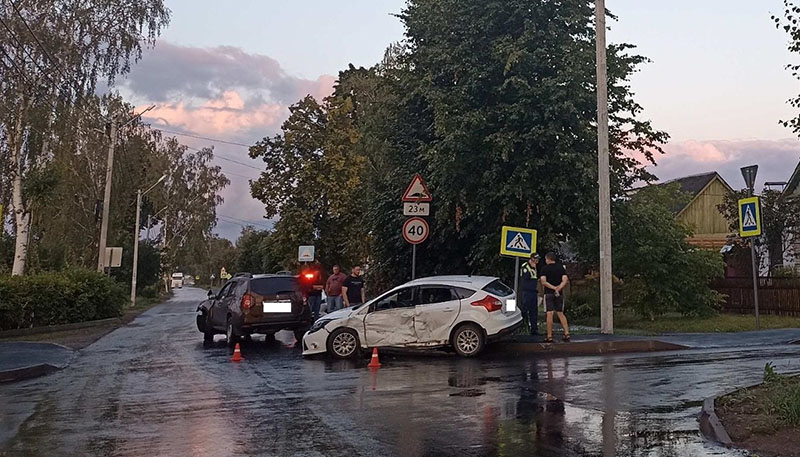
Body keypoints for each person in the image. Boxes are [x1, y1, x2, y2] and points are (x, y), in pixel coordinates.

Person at [539, 252, 570, 343]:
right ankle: (566, 333)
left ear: (548, 259)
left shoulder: (544, 269)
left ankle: (549, 336)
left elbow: (543, 282)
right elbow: (565, 280)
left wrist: (553, 288)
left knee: (549, 314)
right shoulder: (560, 268)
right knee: (560, 313)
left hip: (548, 293)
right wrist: (558, 288)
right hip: (559, 294)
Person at [519, 253, 540, 335]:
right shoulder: (525, 266)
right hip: (527, 292)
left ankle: (534, 330)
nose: (537, 260)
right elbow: (526, 277)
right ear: (531, 258)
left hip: (533, 292)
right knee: (525, 310)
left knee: (534, 311)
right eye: (536, 258)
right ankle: (523, 327)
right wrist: (532, 267)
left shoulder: (535, 267)